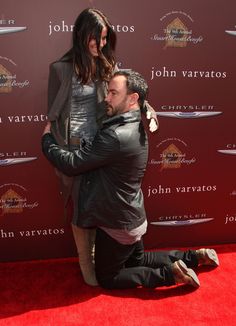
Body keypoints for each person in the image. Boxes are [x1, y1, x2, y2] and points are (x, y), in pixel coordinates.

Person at [42, 69, 219, 290]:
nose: (106, 97)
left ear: (132, 98)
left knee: (108, 277)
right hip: (132, 217)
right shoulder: (134, 124)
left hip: (117, 225)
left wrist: (47, 140)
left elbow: (72, 163)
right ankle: (194, 257)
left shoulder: (115, 136)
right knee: (138, 260)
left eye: (113, 93)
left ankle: (169, 276)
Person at [46, 8, 158, 286]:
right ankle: (86, 264)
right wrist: (50, 133)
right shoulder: (59, 69)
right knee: (79, 208)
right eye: (98, 38)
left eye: (106, 38)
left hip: (100, 147)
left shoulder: (108, 65)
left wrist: (147, 108)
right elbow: (53, 110)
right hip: (71, 148)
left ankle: (97, 258)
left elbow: (127, 92)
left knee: (96, 204)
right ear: (83, 35)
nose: (102, 44)